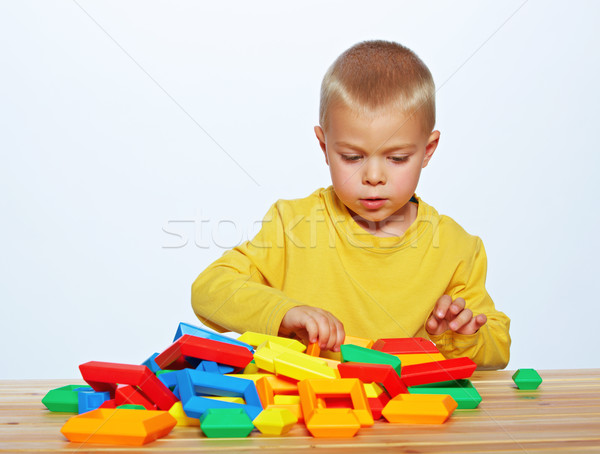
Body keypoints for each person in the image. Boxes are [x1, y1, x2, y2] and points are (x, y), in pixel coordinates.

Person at [191, 40, 510, 370]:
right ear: (324, 146)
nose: (373, 176)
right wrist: (284, 313)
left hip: (407, 418)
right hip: (309, 415)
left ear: (428, 150)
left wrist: (462, 336)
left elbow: (499, 348)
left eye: (397, 158)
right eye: (352, 157)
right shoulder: (293, 225)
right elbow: (209, 289)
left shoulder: (458, 249)